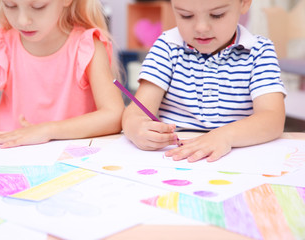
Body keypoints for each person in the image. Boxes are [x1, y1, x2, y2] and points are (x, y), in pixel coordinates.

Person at [122, 0, 286, 162]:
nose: (201, 28)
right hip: (177, 158)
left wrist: (225, 136)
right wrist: (135, 127)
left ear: (244, 3)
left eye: (217, 15)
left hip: (239, 158)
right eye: (186, 15)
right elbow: (136, 112)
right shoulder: (167, 47)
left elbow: (273, 119)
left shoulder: (259, 51)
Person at [0, 0, 124, 148]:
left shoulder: (87, 46)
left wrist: (47, 130)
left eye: (38, 6)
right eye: (10, 5)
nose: (22, 21)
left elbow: (114, 115)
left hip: (74, 160)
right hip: (14, 159)